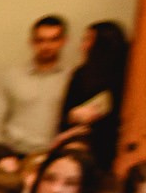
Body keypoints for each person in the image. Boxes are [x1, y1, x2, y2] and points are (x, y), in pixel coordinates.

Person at [0, 15, 72, 155]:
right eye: (40, 40)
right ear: (31, 42)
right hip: (14, 152)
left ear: (63, 41)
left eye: (53, 39)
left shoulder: (71, 77)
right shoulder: (13, 76)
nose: (46, 46)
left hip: (54, 154)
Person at [55, 20, 130, 169]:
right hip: (80, 143)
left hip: (113, 145)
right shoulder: (82, 74)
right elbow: (66, 113)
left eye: (88, 39)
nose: (82, 46)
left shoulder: (128, 74)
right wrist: (74, 116)